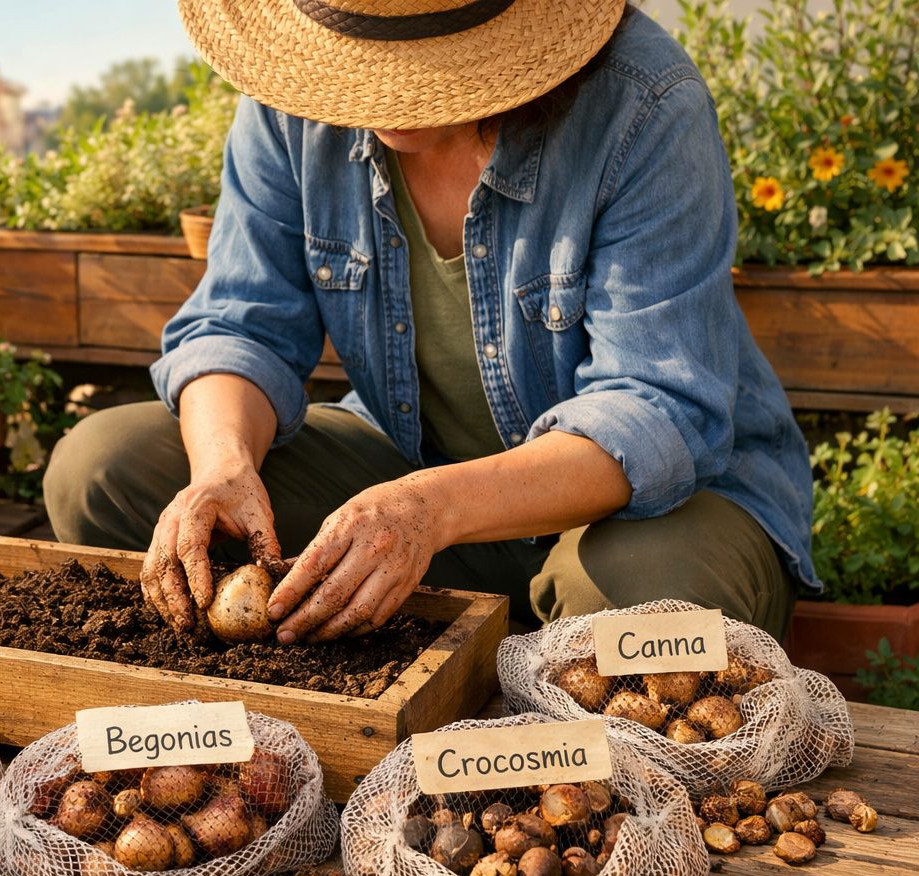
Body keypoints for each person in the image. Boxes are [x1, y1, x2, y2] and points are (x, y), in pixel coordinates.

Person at [44, 0, 816, 643]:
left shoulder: (641, 103)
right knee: (104, 467)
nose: (382, 99)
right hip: (410, 479)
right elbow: (240, 324)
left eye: (424, 68)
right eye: (362, 64)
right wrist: (223, 466)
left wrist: (430, 508)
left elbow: (657, 412)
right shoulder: (292, 106)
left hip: (649, 512)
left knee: (639, 605)